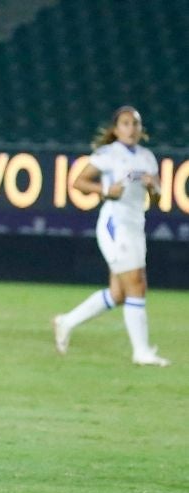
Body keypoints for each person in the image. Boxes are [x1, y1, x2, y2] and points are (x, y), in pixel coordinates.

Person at [53, 106, 170, 367]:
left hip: (135, 224)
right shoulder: (108, 154)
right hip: (115, 224)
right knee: (137, 285)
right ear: (116, 129)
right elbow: (79, 182)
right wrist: (106, 189)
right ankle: (141, 352)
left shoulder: (147, 158)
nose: (131, 128)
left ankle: (66, 322)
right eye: (126, 123)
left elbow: (157, 198)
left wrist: (155, 188)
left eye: (135, 124)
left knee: (118, 293)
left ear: (141, 129)